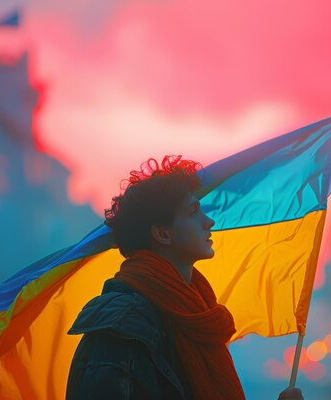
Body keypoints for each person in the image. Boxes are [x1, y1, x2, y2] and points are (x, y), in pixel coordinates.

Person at [66, 156, 303, 400]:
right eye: (192, 212)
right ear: (163, 234)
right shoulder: (123, 328)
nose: (209, 221)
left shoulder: (197, 311)